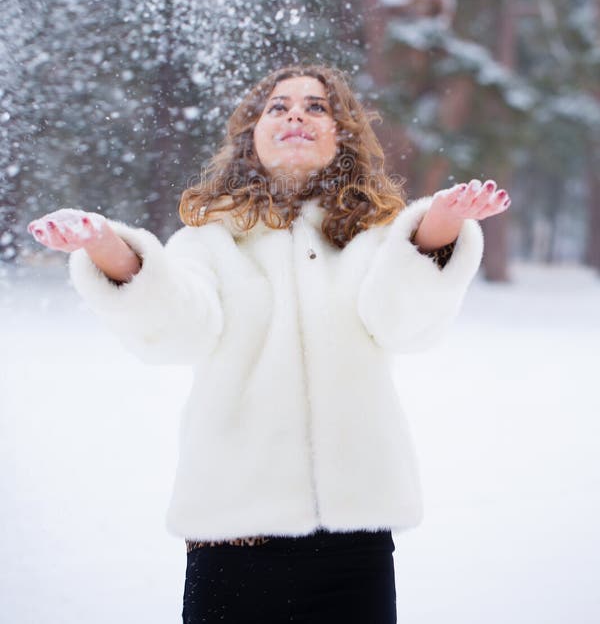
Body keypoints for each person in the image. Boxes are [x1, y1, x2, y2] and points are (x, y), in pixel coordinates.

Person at [28, 64, 511, 624]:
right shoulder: (209, 239)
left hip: (355, 542)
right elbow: (179, 328)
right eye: (277, 107)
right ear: (251, 134)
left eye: (316, 106)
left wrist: (442, 223)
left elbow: (403, 323)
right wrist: (107, 246)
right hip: (235, 539)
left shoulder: (374, 238)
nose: (295, 115)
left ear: (342, 134)